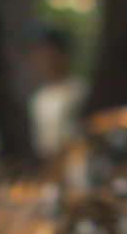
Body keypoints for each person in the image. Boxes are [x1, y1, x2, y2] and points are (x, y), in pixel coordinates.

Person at [24, 22, 88, 164]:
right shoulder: (39, 99)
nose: (42, 59)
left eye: (47, 51)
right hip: (52, 170)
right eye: (36, 53)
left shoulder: (79, 90)